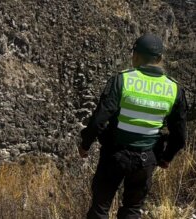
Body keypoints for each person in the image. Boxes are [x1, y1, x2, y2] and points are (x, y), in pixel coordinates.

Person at [78, 34, 188, 219]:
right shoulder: (174, 89)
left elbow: (99, 120)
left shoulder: (123, 80)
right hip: (146, 159)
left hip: (114, 155)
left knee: (100, 208)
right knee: (132, 210)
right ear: (160, 59)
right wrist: (166, 158)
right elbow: (180, 135)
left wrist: (85, 144)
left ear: (135, 56)